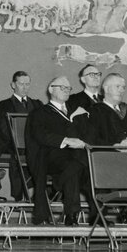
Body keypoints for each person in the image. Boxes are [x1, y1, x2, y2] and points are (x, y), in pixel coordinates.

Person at [25, 76, 93, 226]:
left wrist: (83, 142)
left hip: (75, 158)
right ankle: (72, 213)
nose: (66, 90)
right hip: (50, 157)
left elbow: (88, 134)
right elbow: (40, 135)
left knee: (83, 165)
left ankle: (62, 193)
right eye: (62, 87)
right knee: (77, 162)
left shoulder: (77, 112)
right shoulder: (40, 113)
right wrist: (67, 141)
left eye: (68, 88)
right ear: (51, 90)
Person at [0, 71, 42, 201]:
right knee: (19, 156)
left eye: (27, 84)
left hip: (35, 146)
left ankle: (39, 192)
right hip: (14, 145)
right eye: (21, 84)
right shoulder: (4, 105)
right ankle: (28, 192)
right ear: (13, 85)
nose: (25, 87)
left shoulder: (37, 105)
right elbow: (3, 130)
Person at [90, 73, 127, 147]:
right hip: (111, 155)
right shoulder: (95, 111)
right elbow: (94, 139)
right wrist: (115, 146)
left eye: (123, 87)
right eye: (117, 86)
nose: (121, 90)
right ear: (106, 88)